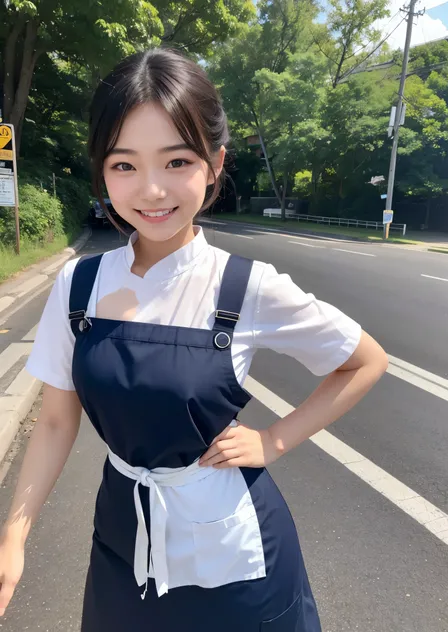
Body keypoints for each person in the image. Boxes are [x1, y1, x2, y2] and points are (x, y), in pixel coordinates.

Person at [0, 48, 388, 631]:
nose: (151, 190)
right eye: (123, 165)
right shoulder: (78, 284)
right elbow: (56, 421)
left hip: (235, 560)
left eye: (176, 161)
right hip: (124, 539)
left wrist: (275, 441)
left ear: (214, 163)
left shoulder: (245, 286)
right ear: (102, 170)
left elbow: (364, 361)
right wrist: (14, 537)